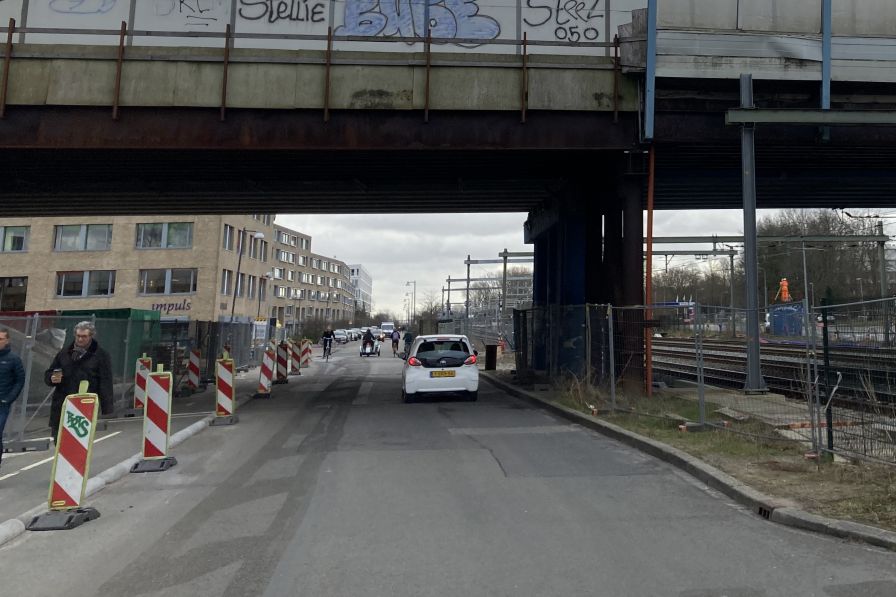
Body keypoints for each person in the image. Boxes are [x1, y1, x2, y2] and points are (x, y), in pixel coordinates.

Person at [45, 321, 114, 440]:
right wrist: (51, 378)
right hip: (63, 403)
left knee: (80, 442)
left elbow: (105, 381)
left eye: (84, 337)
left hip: (85, 405)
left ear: (91, 336)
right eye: (78, 336)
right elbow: (50, 372)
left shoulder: (101, 355)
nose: (80, 339)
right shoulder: (64, 353)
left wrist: (107, 407)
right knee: (59, 439)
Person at [0, 328, 25, 470]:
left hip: (2, 404)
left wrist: (8, 398)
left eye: (0, 339)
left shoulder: (13, 359)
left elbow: (20, 380)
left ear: (7, 340)